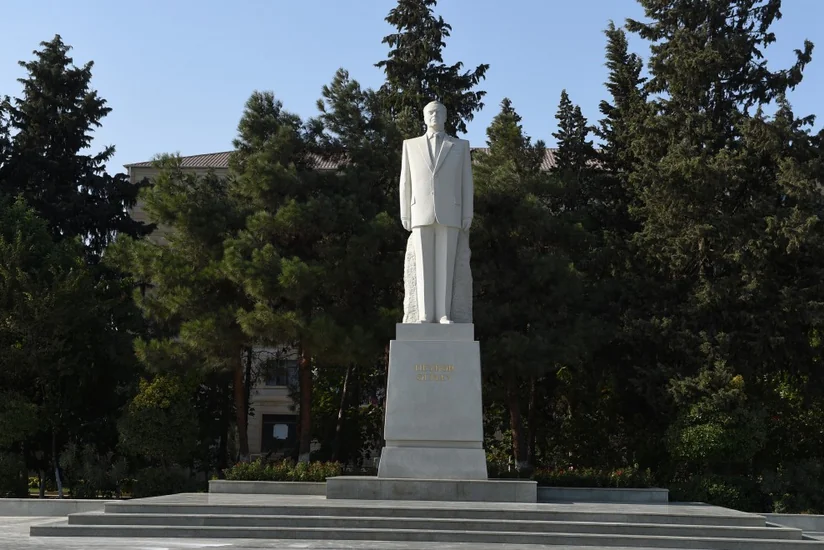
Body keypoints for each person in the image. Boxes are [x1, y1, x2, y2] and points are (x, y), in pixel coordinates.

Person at [399, 100, 474, 324]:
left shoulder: (460, 146)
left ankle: (443, 313)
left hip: (450, 212)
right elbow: (405, 181)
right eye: (430, 112)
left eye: (439, 112)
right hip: (420, 211)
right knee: (423, 266)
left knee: (446, 265)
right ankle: (424, 314)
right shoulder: (410, 145)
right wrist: (405, 211)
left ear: (446, 116)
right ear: (424, 117)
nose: (434, 115)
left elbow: (466, 182)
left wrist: (467, 212)